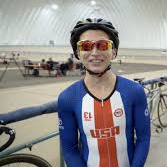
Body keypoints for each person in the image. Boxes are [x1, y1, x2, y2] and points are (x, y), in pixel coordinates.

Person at [57, 18, 151, 167]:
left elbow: (143, 138)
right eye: (86, 46)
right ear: (78, 52)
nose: (94, 52)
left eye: (102, 45)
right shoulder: (67, 98)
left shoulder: (134, 91)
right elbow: (70, 149)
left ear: (113, 52)